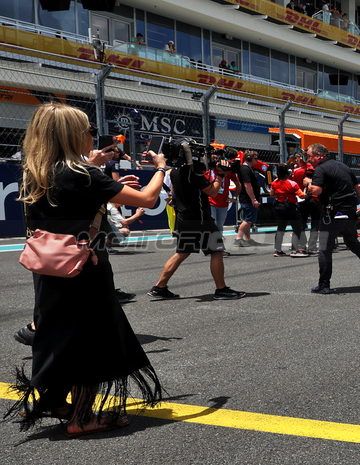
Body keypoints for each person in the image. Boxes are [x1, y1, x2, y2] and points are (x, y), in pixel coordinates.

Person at [7, 104, 166, 434]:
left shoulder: (35, 170)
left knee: (58, 335)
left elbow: (69, 194)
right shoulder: (82, 175)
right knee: (92, 340)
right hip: (85, 267)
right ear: (72, 136)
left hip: (48, 265)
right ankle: (83, 417)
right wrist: (161, 169)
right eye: (88, 132)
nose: (92, 137)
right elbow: (149, 200)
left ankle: (53, 398)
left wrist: (93, 167)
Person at [149, 144, 246, 300]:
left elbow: (173, 193)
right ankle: (221, 289)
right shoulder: (193, 172)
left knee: (182, 252)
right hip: (199, 218)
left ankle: (160, 287)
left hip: (184, 216)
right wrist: (220, 175)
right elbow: (213, 192)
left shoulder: (174, 171)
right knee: (216, 250)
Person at [306, 144, 360, 293]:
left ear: (319, 156)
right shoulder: (344, 166)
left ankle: (324, 284)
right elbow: (358, 187)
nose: (308, 159)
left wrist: (308, 184)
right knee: (352, 241)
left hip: (333, 211)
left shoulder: (320, 169)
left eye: (309, 156)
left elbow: (316, 189)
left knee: (324, 248)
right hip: (351, 210)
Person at [269, 165, 306, 257]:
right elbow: (301, 195)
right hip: (290, 207)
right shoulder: (292, 184)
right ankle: (294, 250)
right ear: (287, 173)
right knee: (296, 228)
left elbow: (271, 194)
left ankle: (277, 250)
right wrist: (305, 190)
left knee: (280, 228)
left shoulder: (274, 182)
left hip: (279, 207)